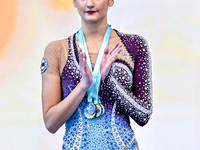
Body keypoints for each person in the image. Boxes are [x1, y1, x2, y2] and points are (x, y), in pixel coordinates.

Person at [40, 0, 153, 149]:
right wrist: (85, 84)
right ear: (74, 1)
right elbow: (51, 123)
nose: (90, 3)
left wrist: (110, 81)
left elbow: (143, 115)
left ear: (110, 0)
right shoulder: (56, 50)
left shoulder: (135, 45)